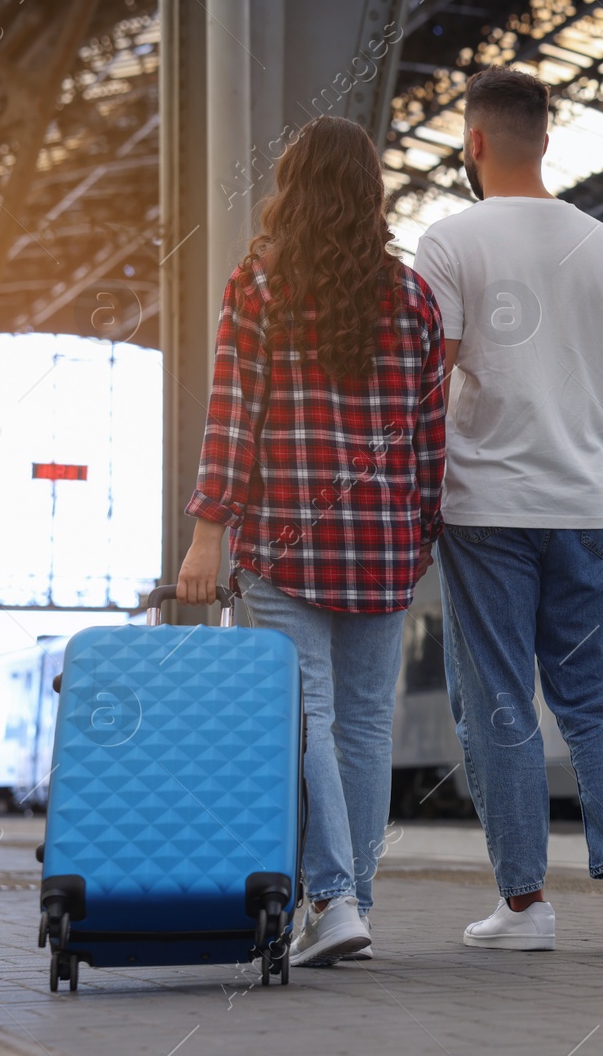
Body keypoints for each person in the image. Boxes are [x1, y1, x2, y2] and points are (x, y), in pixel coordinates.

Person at [177, 116, 446, 967]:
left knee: (310, 723)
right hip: (383, 545)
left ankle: (332, 898)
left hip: (288, 543)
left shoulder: (259, 284)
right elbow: (430, 436)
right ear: (372, 195)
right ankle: (352, 902)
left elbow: (233, 417)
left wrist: (204, 535)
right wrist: (421, 529)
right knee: (364, 728)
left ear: (291, 191)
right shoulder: (412, 298)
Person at [413, 65, 603, 953]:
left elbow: (425, 382)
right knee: (596, 700)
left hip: (486, 512)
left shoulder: (448, 244)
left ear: (473, 142)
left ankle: (525, 906)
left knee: (502, 705)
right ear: (546, 139)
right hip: (588, 510)